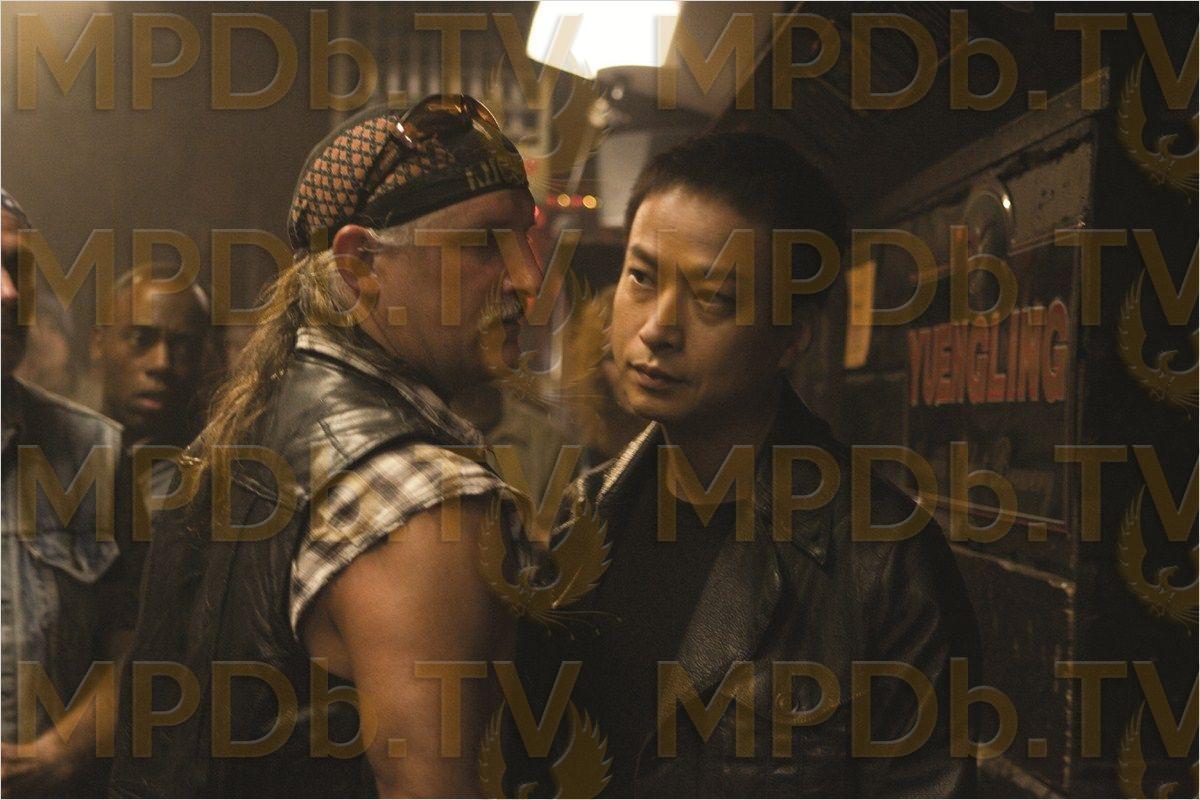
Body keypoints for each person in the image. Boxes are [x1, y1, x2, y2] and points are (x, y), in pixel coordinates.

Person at [516, 133, 980, 796]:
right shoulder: (589, 511)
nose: (658, 328)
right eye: (641, 277)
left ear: (791, 337)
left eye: (713, 298)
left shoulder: (883, 563)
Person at [109, 95, 543, 797]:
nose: (528, 278)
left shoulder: (257, 421)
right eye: (483, 244)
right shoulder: (417, 497)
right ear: (361, 263)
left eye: (526, 238)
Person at [1, 189, 138, 795]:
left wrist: (63, 751)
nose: (10, 293)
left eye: (18, 269)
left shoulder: (94, 453)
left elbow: (137, 643)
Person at [90, 265, 211, 453]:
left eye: (184, 347)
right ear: (98, 342)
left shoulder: (222, 465)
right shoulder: (57, 453)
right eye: (140, 339)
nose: (161, 363)